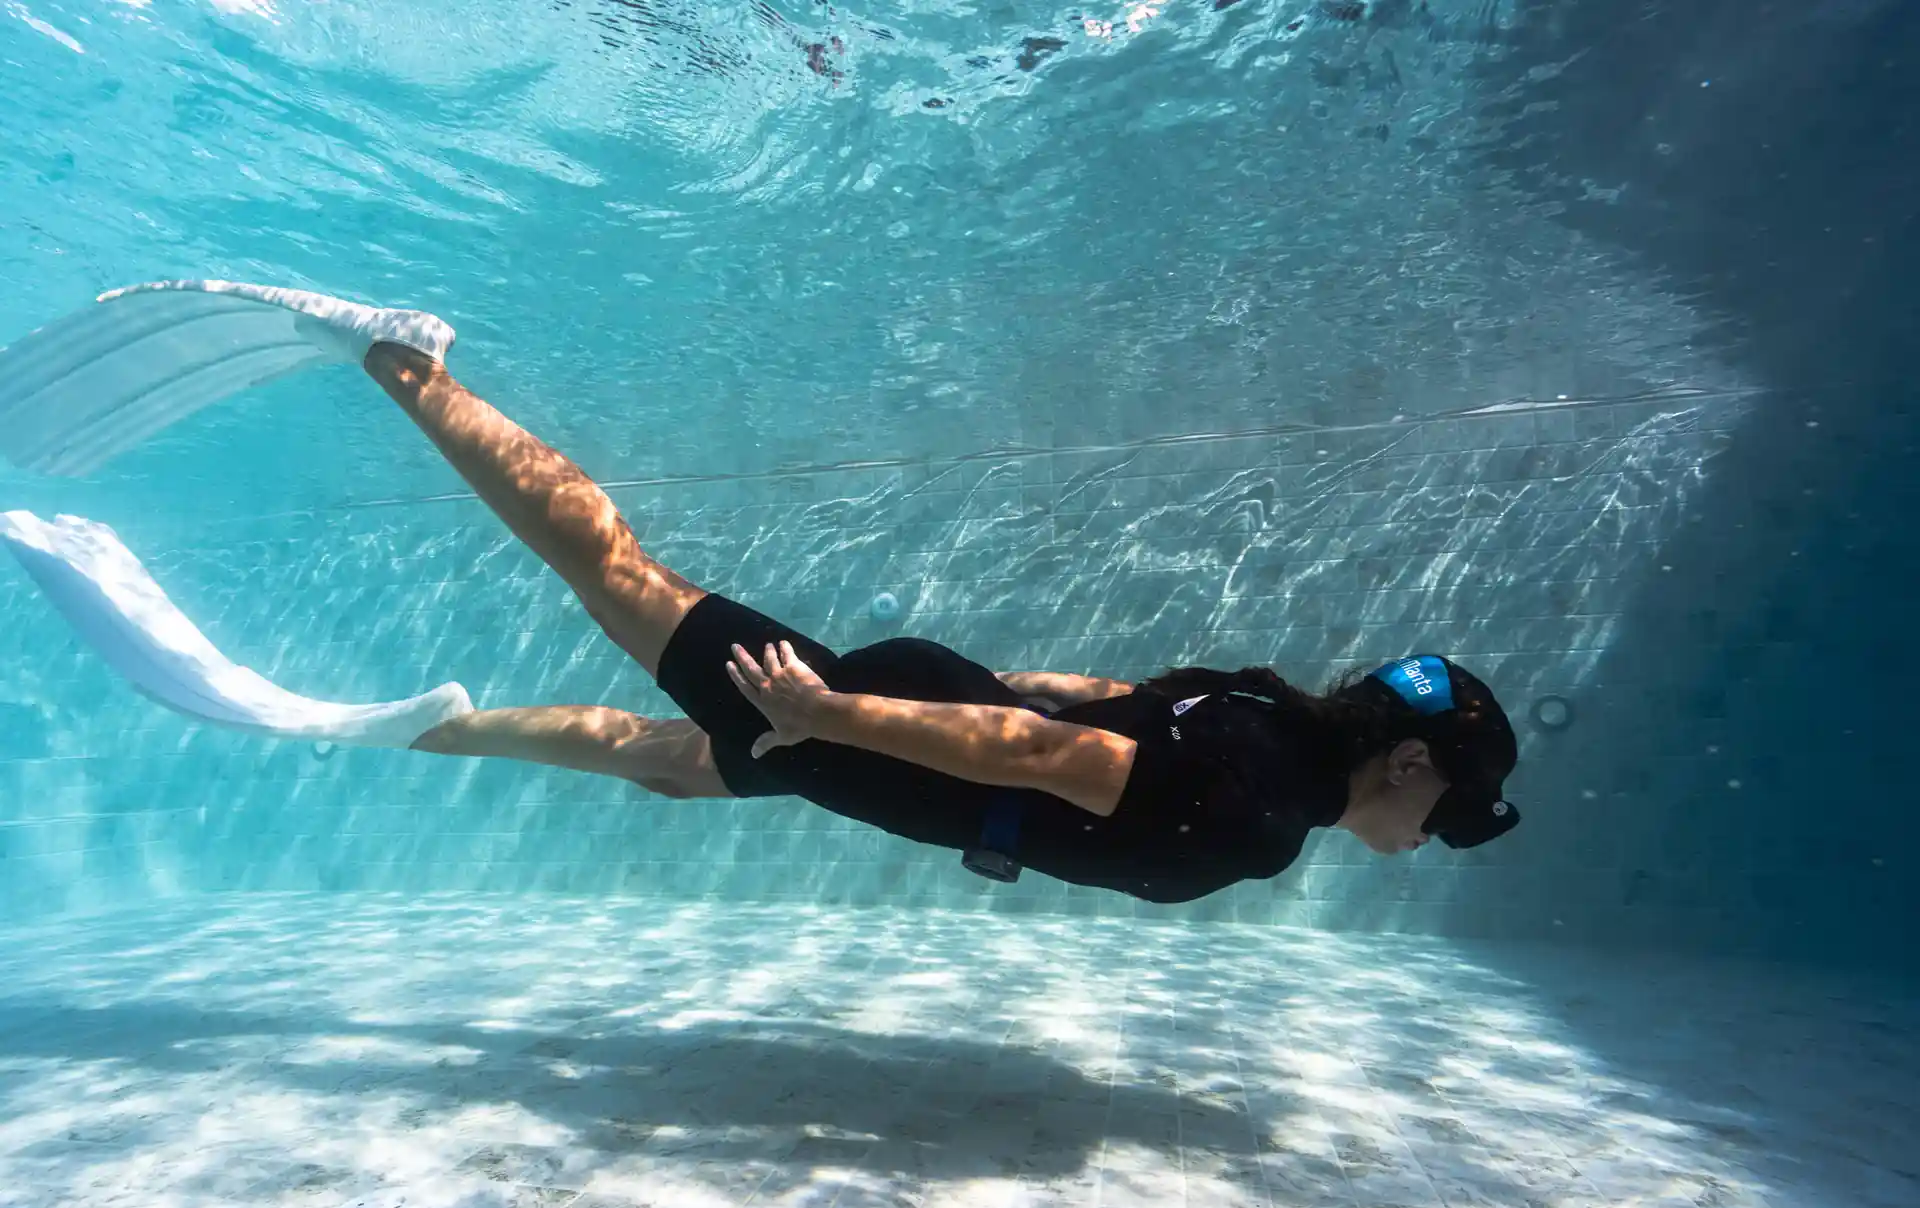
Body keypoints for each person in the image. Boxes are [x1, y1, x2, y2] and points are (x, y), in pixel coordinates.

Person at [357, 339, 1520, 904]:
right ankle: (407, 363)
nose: (1434, 835)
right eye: (1448, 810)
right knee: (620, 577)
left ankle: (444, 729)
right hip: (903, 745)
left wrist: (922, 696)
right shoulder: (1264, 812)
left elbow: (1079, 695)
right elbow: (1053, 751)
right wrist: (836, 715)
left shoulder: (1266, 712)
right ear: (1407, 759)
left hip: (929, 719)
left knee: (677, 765)